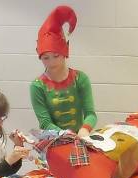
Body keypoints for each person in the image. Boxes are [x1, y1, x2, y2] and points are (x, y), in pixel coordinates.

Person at [30, 5, 97, 137]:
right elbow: (45, 122)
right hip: (53, 140)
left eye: (56, 56)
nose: (51, 62)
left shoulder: (80, 78)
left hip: (80, 137)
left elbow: (90, 114)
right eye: (45, 58)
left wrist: (85, 129)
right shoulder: (37, 86)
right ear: (39, 56)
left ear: (65, 52)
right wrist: (64, 134)